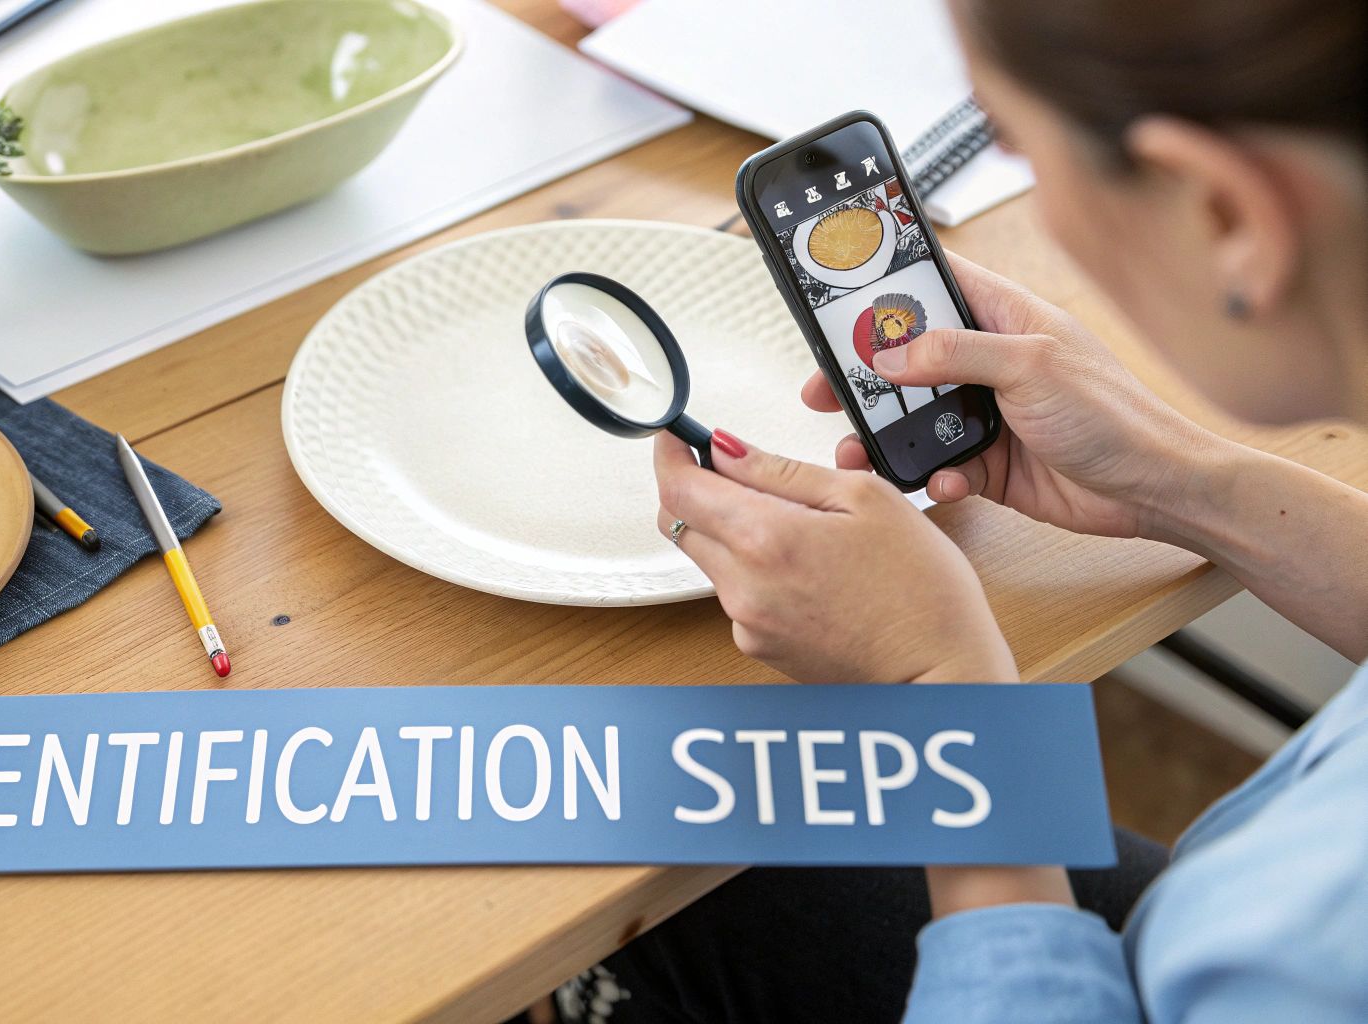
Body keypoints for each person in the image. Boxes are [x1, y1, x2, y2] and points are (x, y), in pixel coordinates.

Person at [569, 0, 1368, 1019]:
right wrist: (1179, 480)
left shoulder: (1306, 956)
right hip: (1214, 901)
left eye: (1013, 138)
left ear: (1223, 214)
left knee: (679, 869)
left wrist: (937, 686)